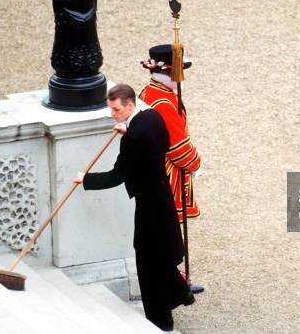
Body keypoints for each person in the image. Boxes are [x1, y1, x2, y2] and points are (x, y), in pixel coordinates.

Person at [73, 84, 194, 332]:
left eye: (116, 109)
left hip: (150, 208)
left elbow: (117, 175)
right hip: (162, 199)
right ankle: (181, 294)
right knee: (159, 257)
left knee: (149, 263)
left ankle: (160, 319)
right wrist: (127, 130)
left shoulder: (134, 139)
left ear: (129, 105)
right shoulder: (152, 117)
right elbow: (150, 139)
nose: (112, 114)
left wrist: (85, 179)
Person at [139, 44, 204, 293]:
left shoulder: (151, 91)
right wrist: (196, 164)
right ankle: (174, 282)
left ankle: (174, 278)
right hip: (167, 174)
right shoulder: (164, 101)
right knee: (167, 233)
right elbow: (178, 148)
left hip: (154, 168)